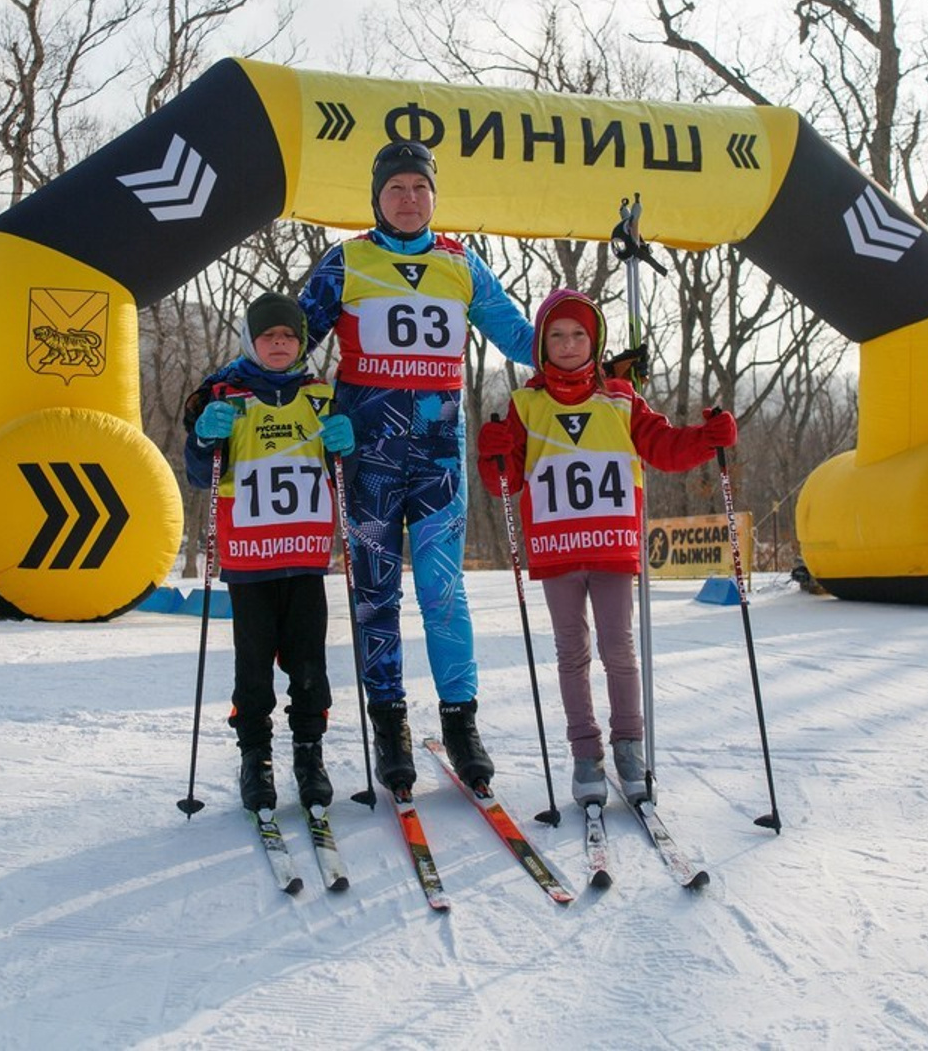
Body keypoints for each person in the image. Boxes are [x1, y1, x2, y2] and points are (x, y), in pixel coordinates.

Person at [299, 140, 535, 794]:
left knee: (443, 592)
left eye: (420, 188)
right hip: (367, 458)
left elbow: (519, 338)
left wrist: (588, 336)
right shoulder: (346, 261)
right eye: (396, 188)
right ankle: (390, 725)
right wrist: (321, 413)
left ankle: (461, 723)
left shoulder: (461, 263)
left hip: (437, 459)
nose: (409, 199)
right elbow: (285, 348)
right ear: (377, 197)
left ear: (435, 196)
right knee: (375, 595)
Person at [475, 288, 738, 806]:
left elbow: (661, 446)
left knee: (619, 650)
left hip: (611, 542)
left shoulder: (619, 398)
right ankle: (584, 752)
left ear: (594, 341)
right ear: (542, 345)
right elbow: (502, 482)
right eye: (557, 335)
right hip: (556, 549)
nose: (568, 344)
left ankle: (629, 746)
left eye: (579, 335)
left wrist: (707, 439)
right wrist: (494, 455)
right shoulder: (526, 403)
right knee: (572, 653)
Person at [183, 292, 356, 815]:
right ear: (251, 342)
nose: (278, 344)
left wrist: (350, 441)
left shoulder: (321, 395)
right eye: (268, 336)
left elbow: (345, 465)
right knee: (252, 667)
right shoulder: (223, 395)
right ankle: (255, 755)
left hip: (304, 554)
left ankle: (309, 752)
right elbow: (198, 474)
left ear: (301, 343)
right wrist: (201, 441)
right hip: (249, 558)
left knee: (309, 662)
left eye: (288, 336)